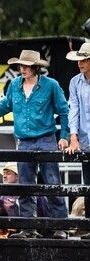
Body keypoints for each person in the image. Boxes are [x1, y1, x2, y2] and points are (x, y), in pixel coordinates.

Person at [0, 49, 70, 239]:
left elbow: (64, 111)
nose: (23, 69)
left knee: (53, 183)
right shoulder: (15, 85)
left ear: (35, 68)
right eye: (21, 65)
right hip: (24, 141)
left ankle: (61, 226)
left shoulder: (51, 85)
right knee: (25, 185)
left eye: (26, 66)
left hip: (46, 139)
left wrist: (64, 136)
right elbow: (5, 105)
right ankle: (28, 227)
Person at [64, 42, 90, 239]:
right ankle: (89, 224)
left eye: (84, 60)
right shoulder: (75, 82)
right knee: (88, 182)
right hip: (85, 138)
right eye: (79, 60)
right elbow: (73, 109)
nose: (80, 63)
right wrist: (73, 137)